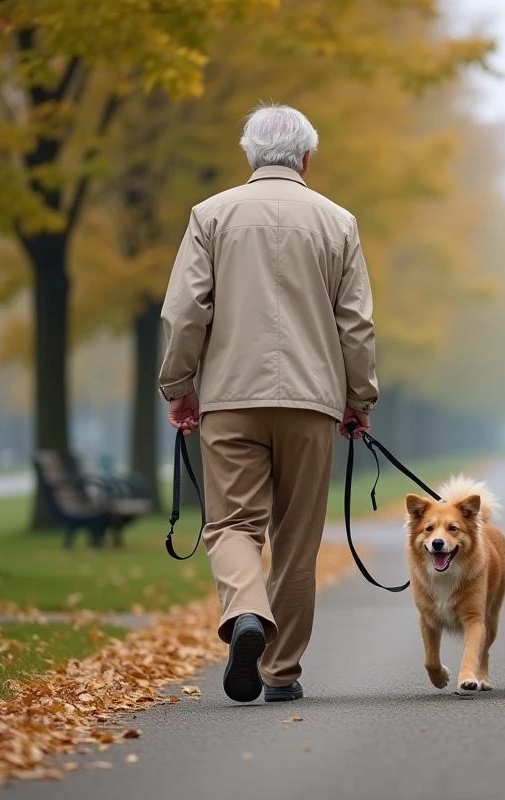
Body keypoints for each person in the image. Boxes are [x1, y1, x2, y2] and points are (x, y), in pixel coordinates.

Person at [159, 103, 378, 703]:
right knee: (297, 539)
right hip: (312, 403)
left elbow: (183, 311)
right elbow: (355, 323)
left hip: (230, 399)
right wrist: (359, 398)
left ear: (249, 156)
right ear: (307, 158)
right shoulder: (338, 222)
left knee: (231, 523)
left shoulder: (211, 216)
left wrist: (179, 386)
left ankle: (247, 613)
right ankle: (280, 673)